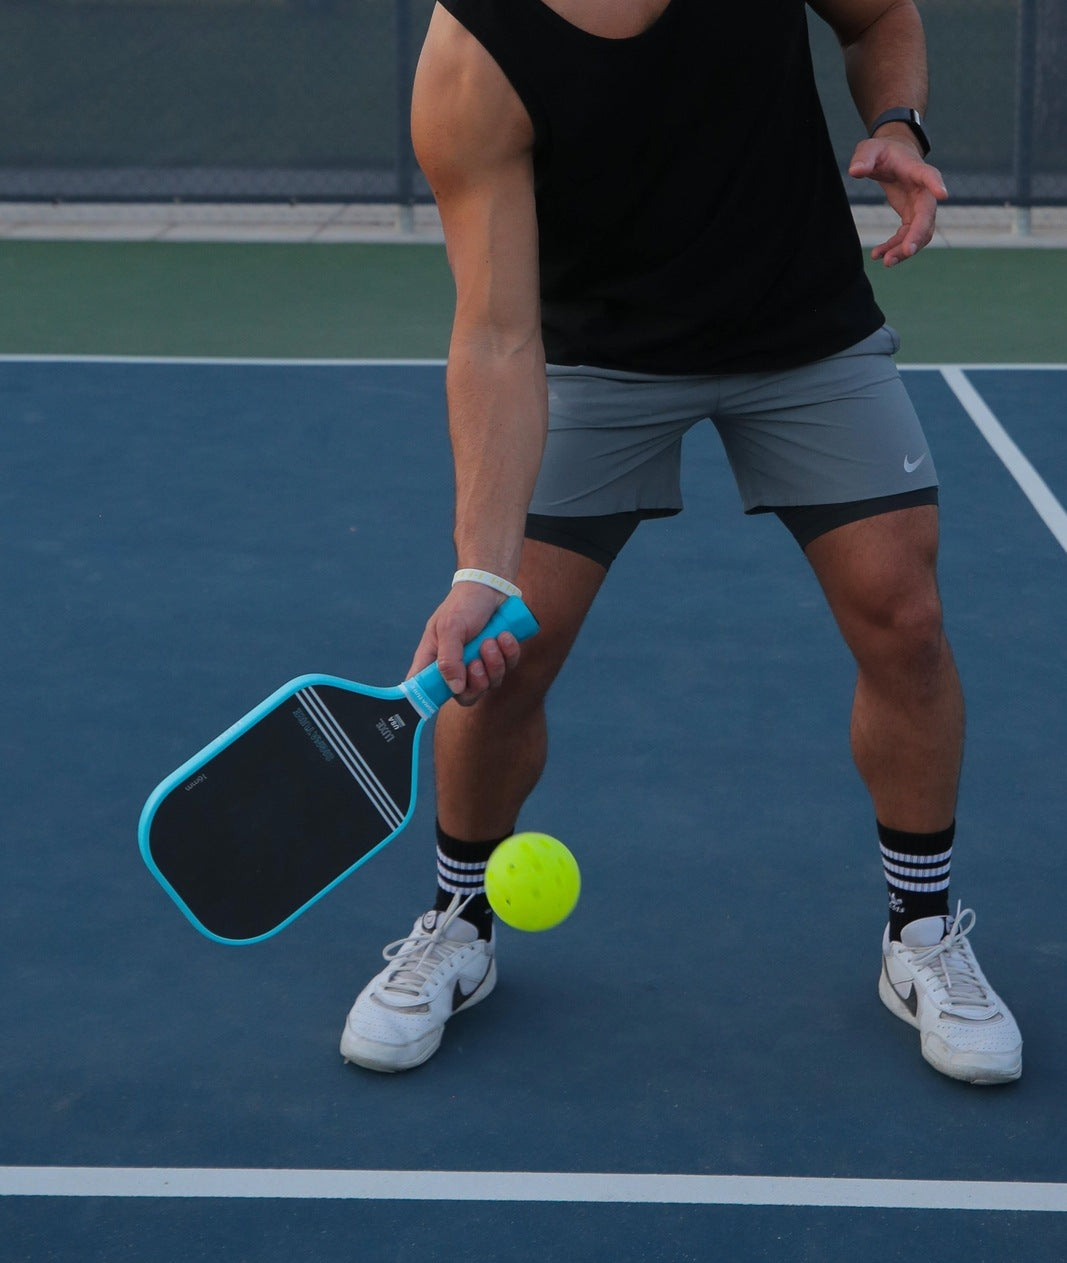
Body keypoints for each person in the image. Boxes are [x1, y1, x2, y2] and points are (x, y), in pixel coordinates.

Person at [340, 0, 1022, 1085]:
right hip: (592, 356)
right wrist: (479, 568)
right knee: (503, 656)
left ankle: (922, 933)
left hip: (801, 327)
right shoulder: (474, 51)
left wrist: (896, 121)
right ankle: (457, 926)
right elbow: (495, 329)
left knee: (906, 618)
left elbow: (879, 11)